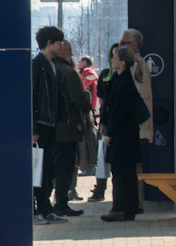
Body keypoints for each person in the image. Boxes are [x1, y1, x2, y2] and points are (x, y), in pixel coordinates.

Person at [31, 26, 76, 223]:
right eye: (58, 42)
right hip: (40, 126)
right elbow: (31, 98)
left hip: (51, 124)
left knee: (48, 169)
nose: (61, 46)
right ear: (49, 43)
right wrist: (32, 129)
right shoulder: (36, 66)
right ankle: (38, 210)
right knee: (39, 170)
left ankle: (45, 209)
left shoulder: (54, 65)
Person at [99, 46, 149, 222]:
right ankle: (128, 209)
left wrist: (110, 133)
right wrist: (103, 122)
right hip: (124, 134)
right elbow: (108, 105)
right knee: (125, 172)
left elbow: (119, 111)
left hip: (123, 136)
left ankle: (120, 208)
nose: (112, 60)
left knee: (121, 173)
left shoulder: (125, 83)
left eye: (114, 58)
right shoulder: (117, 78)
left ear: (122, 63)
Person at [50, 39, 92, 215]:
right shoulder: (68, 72)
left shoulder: (48, 70)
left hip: (51, 128)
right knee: (65, 168)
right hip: (67, 129)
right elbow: (78, 99)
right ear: (63, 52)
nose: (73, 55)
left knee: (52, 167)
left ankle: (49, 203)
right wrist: (86, 101)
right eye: (70, 51)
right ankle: (61, 203)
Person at [77, 56, 103, 201]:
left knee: (89, 141)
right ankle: (90, 167)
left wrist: (82, 81)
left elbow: (93, 76)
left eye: (79, 61)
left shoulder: (86, 71)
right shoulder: (82, 70)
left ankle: (90, 167)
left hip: (90, 110)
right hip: (91, 110)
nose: (77, 63)